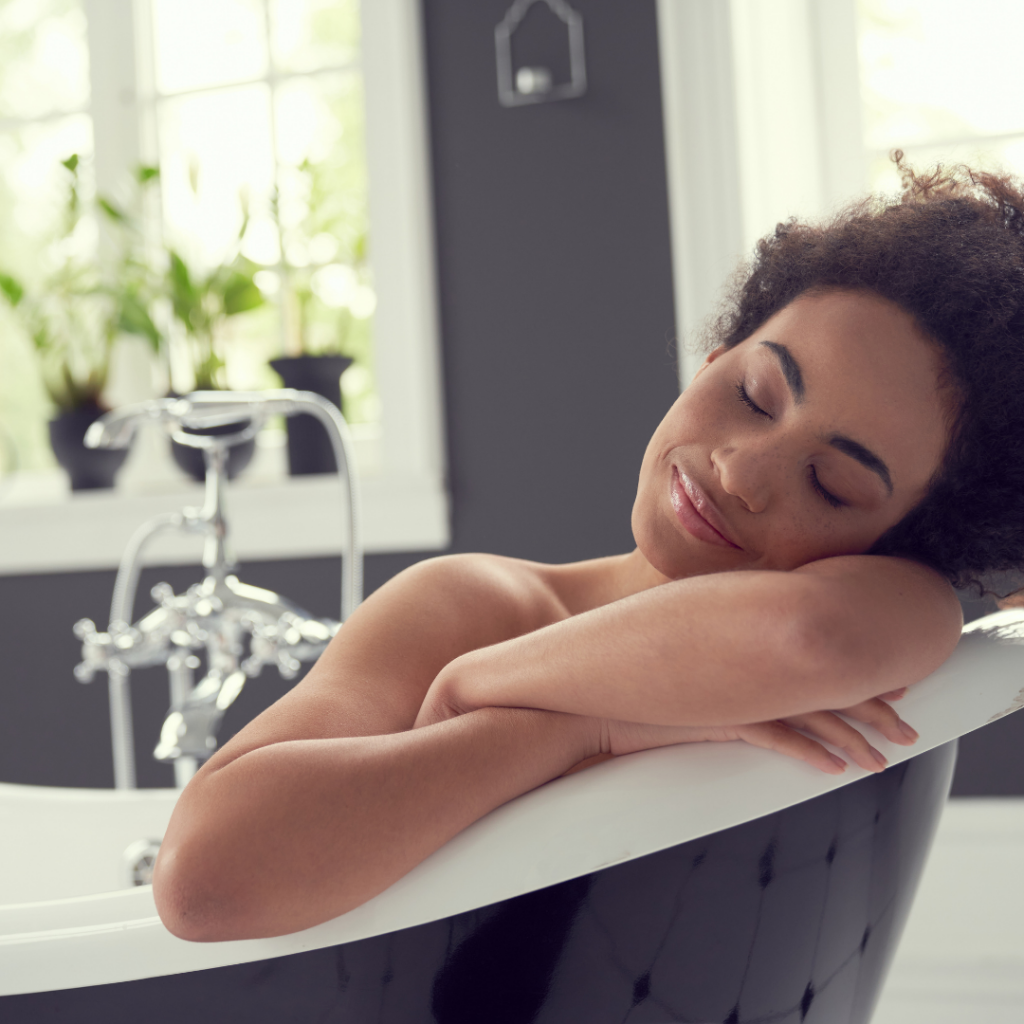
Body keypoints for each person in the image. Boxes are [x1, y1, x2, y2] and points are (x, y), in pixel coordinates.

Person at [152, 158, 1024, 942]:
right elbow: (204, 882)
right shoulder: (472, 605)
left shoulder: (893, 609)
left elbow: (810, 640)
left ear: (906, 541)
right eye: (755, 394)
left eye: (831, 485)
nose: (739, 469)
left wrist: (494, 694)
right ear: (712, 359)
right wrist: (584, 725)